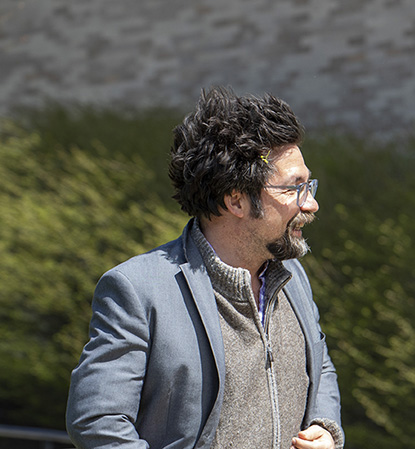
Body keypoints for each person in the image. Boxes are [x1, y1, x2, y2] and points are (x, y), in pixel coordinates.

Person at [66, 87, 343, 449]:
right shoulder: (137, 289)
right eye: (295, 188)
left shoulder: (293, 278)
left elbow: (319, 363)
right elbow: (97, 421)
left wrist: (325, 427)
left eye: (309, 184)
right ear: (236, 200)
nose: (313, 204)